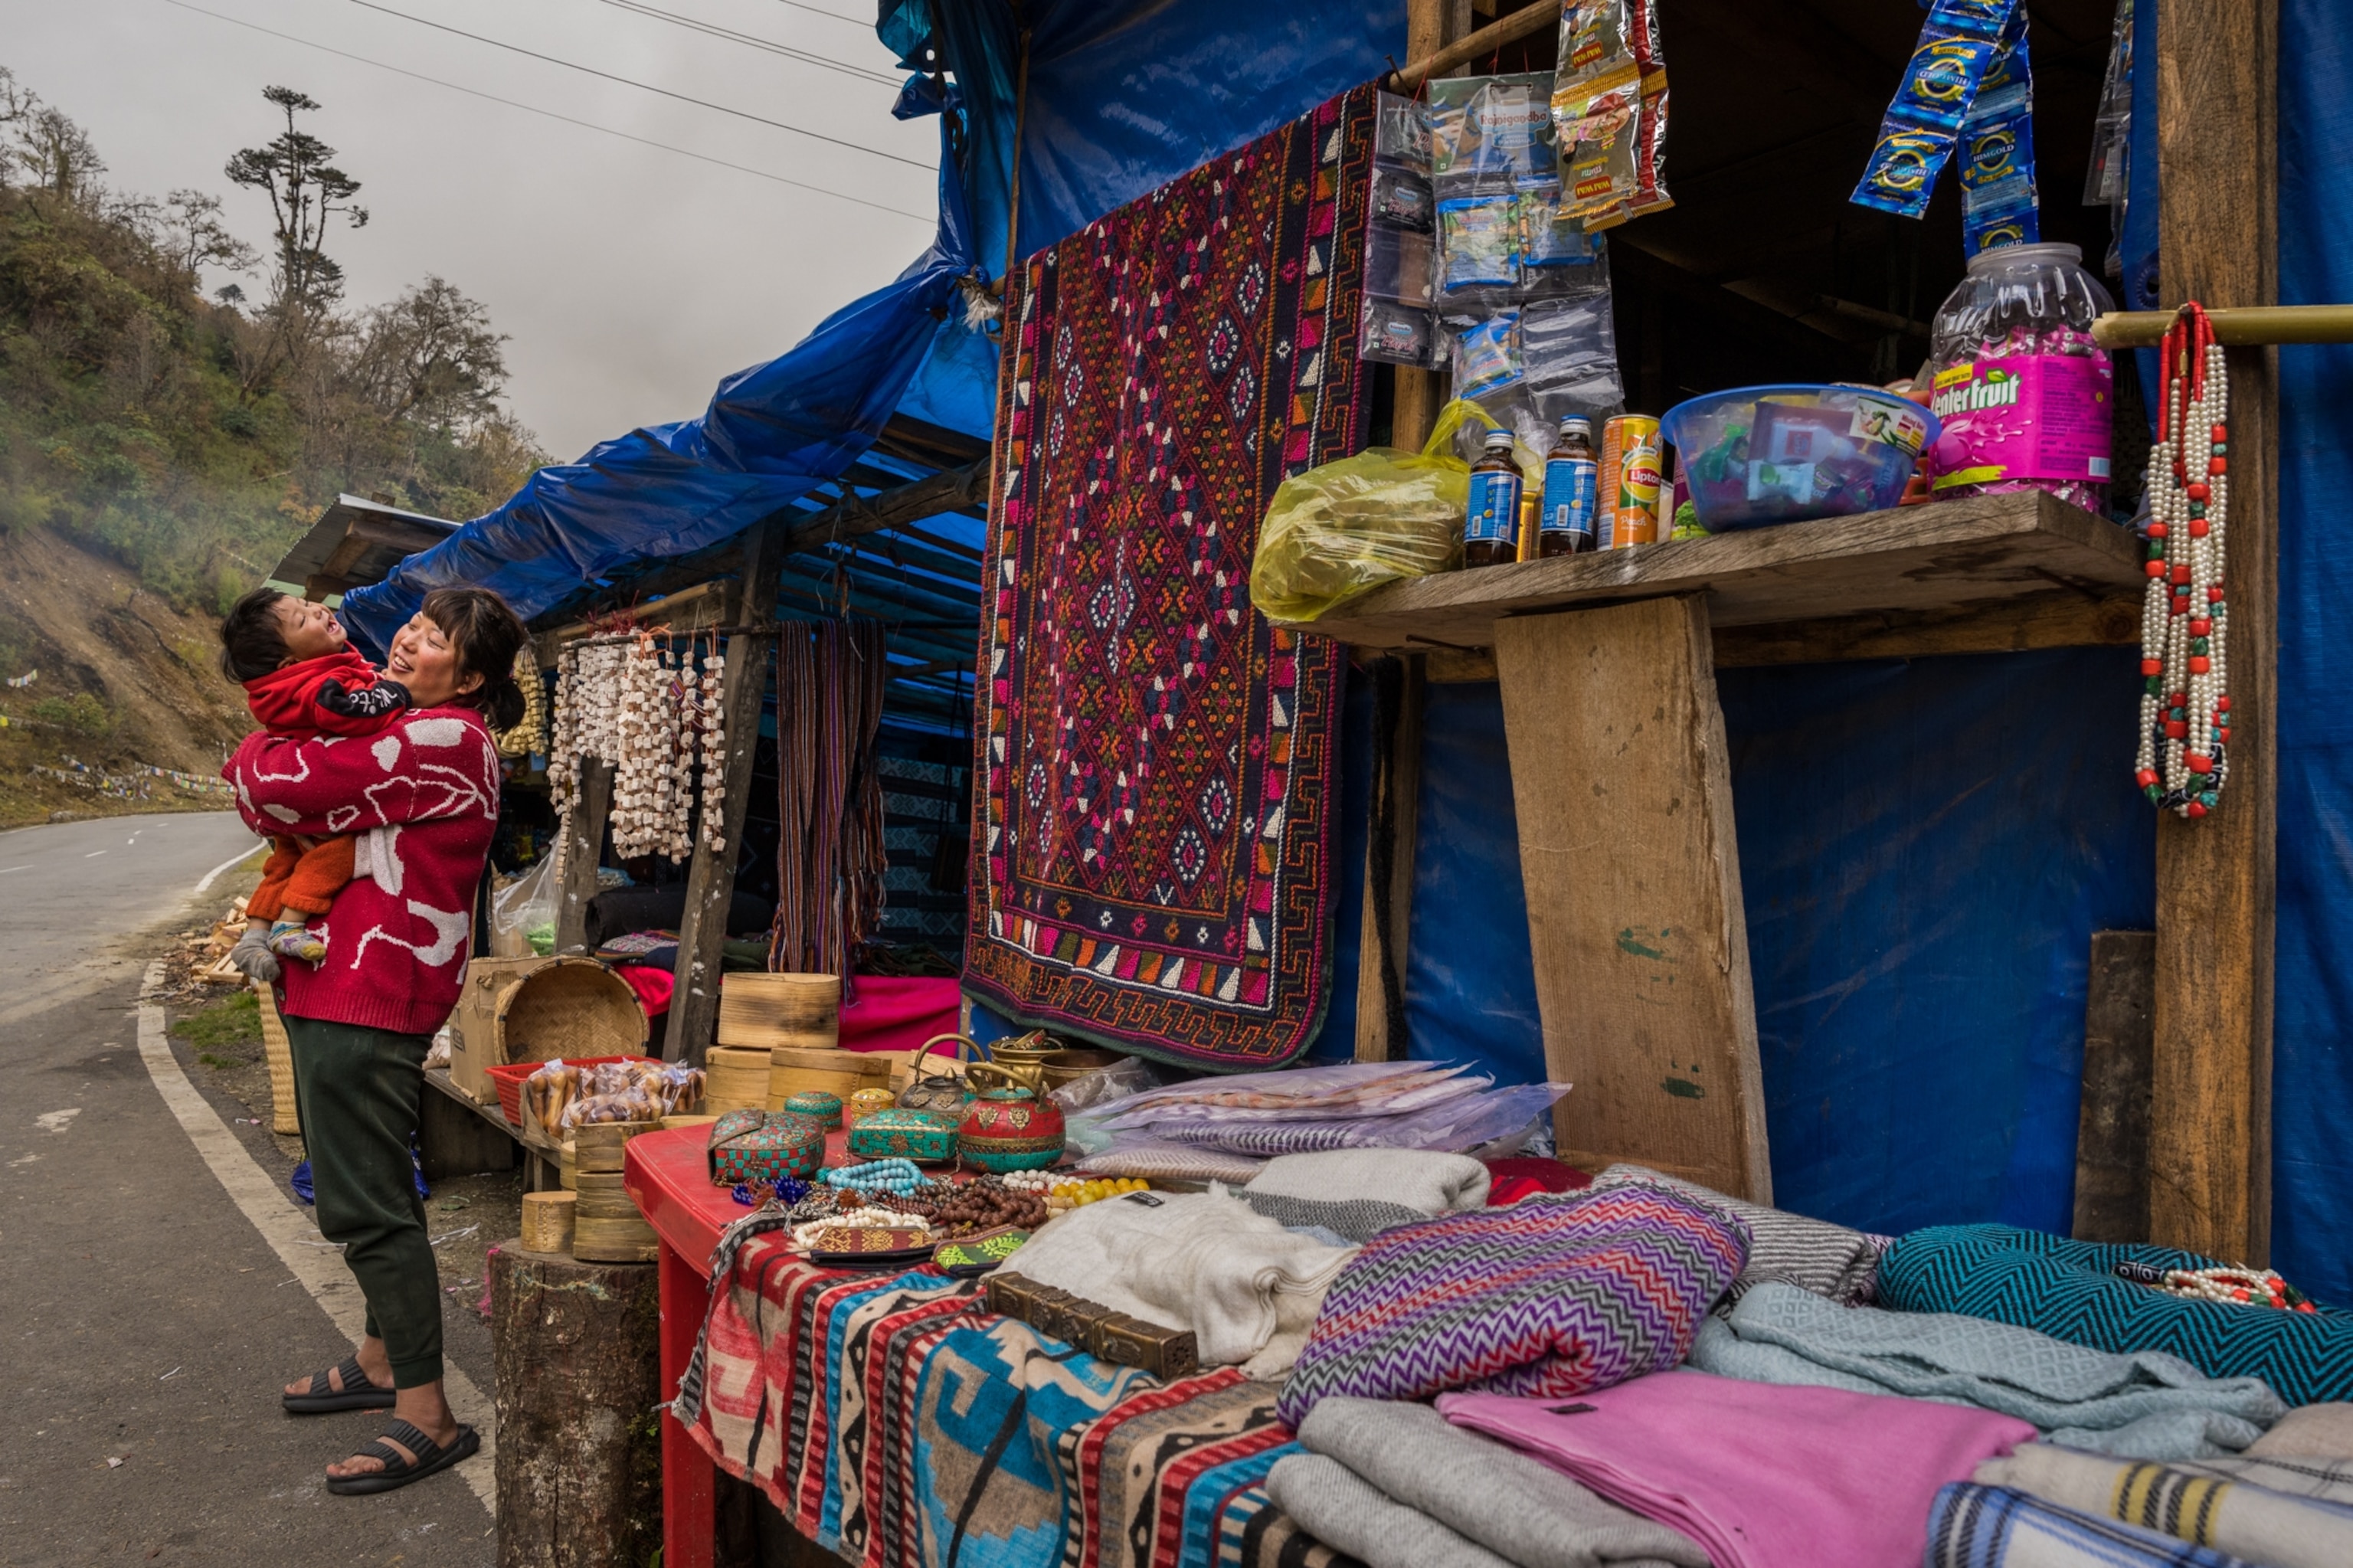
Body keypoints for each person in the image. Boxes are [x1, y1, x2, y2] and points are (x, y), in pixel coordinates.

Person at [223, 586, 529, 1495]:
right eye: (414, 623)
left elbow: (268, 785)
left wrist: (255, 751)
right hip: (333, 983)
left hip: (372, 992)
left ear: (468, 678)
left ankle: (429, 1415)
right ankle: (379, 1356)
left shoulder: (448, 739)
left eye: (434, 639)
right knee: (361, 1176)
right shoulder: (386, 728)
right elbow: (294, 788)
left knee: (368, 1204)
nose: (407, 638)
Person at [214, 587, 417, 978]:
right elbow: (346, 711)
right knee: (338, 853)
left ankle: (255, 933)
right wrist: (396, 695)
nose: (319, 611)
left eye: (307, 605)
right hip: (321, 801)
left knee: (284, 862)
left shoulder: (295, 681)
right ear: (290, 659)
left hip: (295, 800)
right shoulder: (317, 684)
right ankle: (290, 924)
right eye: (304, 619)